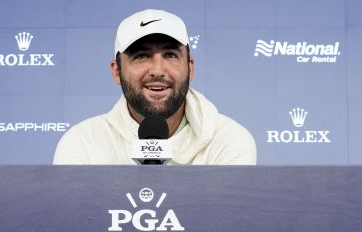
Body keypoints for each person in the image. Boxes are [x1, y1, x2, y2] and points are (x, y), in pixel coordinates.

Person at [54, 9, 256, 165]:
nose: (157, 70)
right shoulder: (82, 142)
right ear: (117, 71)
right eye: (141, 56)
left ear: (190, 68)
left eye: (170, 55)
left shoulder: (228, 140)